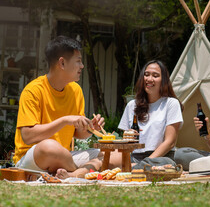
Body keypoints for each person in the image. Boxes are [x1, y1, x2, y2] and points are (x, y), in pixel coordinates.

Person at [13, 35, 106, 179]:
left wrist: (91, 129)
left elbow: (79, 134)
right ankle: (82, 172)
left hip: (64, 157)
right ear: (62, 64)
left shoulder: (76, 91)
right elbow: (27, 136)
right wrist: (64, 120)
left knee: (110, 155)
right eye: (78, 61)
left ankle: (72, 174)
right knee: (49, 147)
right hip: (34, 158)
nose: (82, 66)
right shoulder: (33, 90)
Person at [118, 60, 183, 163]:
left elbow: (170, 142)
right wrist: (128, 135)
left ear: (164, 80)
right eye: (146, 75)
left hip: (162, 157)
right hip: (135, 157)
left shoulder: (171, 103)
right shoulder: (132, 105)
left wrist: (146, 162)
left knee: (140, 169)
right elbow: (126, 141)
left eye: (155, 76)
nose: (149, 79)